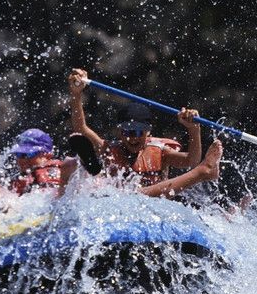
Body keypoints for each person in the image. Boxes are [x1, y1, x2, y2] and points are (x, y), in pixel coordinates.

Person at [67, 68, 224, 198]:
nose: (133, 137)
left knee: (135, 194)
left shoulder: (161, 152)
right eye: (128, 131)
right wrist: (76, 93)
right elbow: (81, 128)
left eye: (138, 132)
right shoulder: (109, 148)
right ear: (120, 132)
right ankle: (202, 172)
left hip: (153, 207)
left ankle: (203, 172)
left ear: (148, 132)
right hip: (120, 205)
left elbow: (192, 160)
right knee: (124, 193)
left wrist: (193, 129)